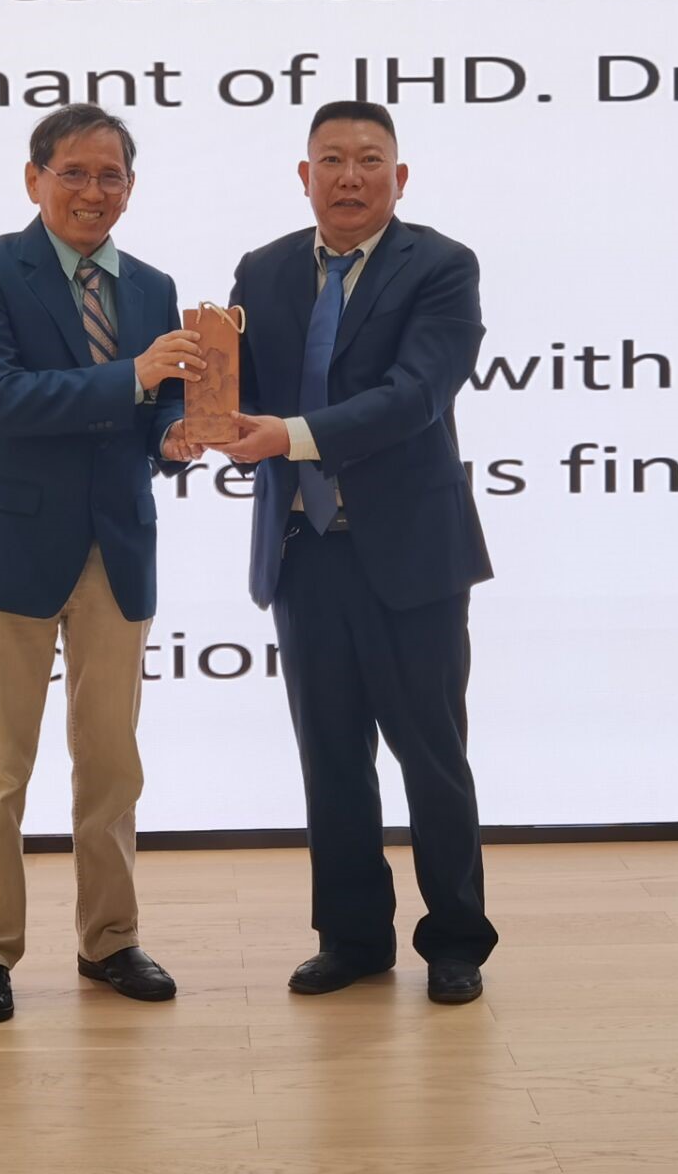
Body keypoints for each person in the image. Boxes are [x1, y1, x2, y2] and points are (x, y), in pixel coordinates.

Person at [208, 100, 498, 1004]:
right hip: (303, 549)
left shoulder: (441, 266)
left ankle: (455, 941)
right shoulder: (263, 269)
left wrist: (288, 435)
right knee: (330, 759)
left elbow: (416, 396)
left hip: (411, 555)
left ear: (398, 178)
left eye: (369, 159)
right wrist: (189, 417)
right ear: (305, 177)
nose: (349, 176)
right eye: (330, 159)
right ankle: (353, 938)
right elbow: (234, 394)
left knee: (431, 758)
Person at [0, 103, 204, 1023]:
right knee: (0, 767)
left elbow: (160, 409)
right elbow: (3, 401)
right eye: (75, 173)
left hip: (116, 545)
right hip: (8, 547)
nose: (94, 192)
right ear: (34, 178)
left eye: (111, 176)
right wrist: (136, 377)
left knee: (113, 764)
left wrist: (176, 437)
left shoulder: (154, 287)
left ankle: (111, 940)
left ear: (131, 187)